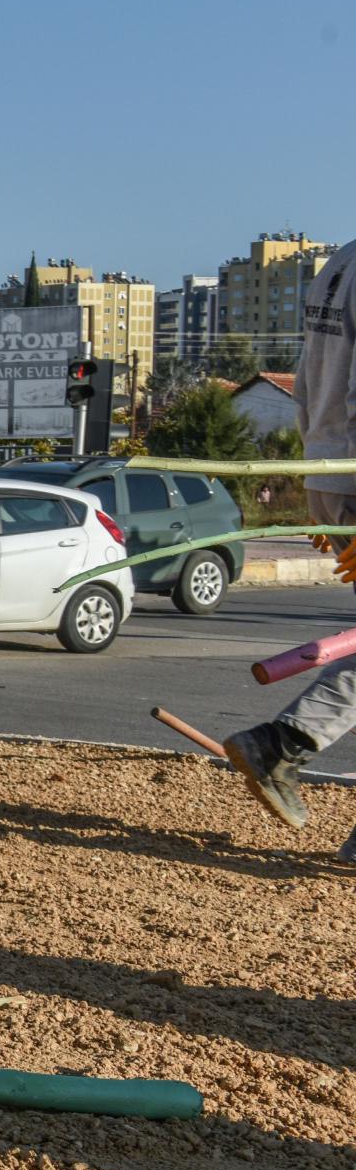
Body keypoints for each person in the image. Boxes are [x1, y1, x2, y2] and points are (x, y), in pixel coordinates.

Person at [226, 240, 356, 846]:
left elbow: (312, 378)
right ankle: (282, 743)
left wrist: (319, 480)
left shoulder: (340, 263)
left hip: (336, 467)